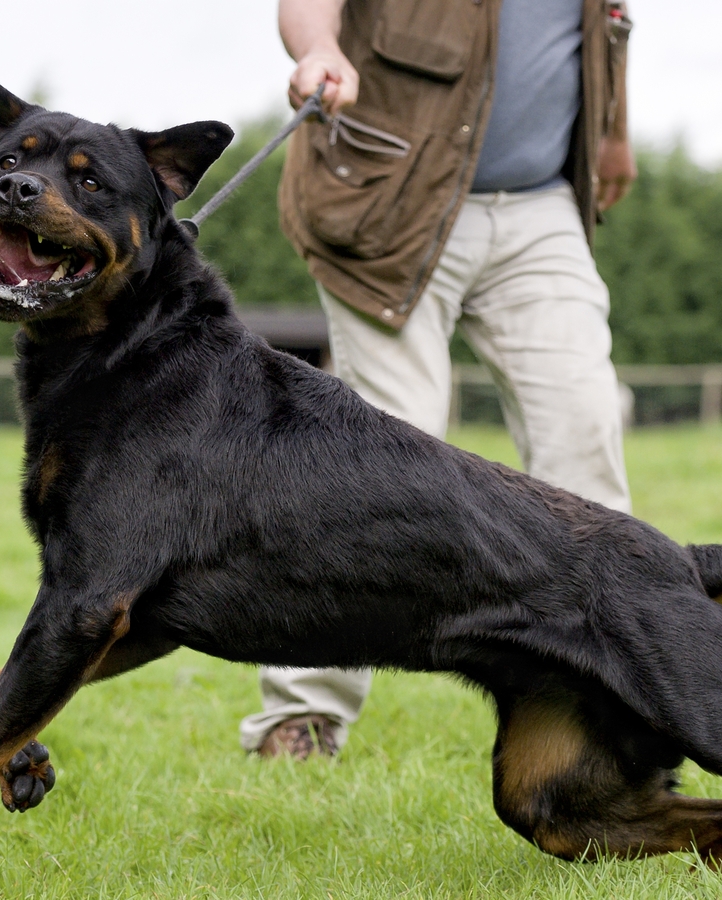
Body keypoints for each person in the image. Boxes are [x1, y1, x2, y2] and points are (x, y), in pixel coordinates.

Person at [242, 0, 638, 759]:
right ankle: (303, 716)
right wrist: (319, 48)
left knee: (585, 431)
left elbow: (608, 26)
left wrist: (613, 133)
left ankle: (601, 711)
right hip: (393, 198)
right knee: (381, 464)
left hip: (539, 206)